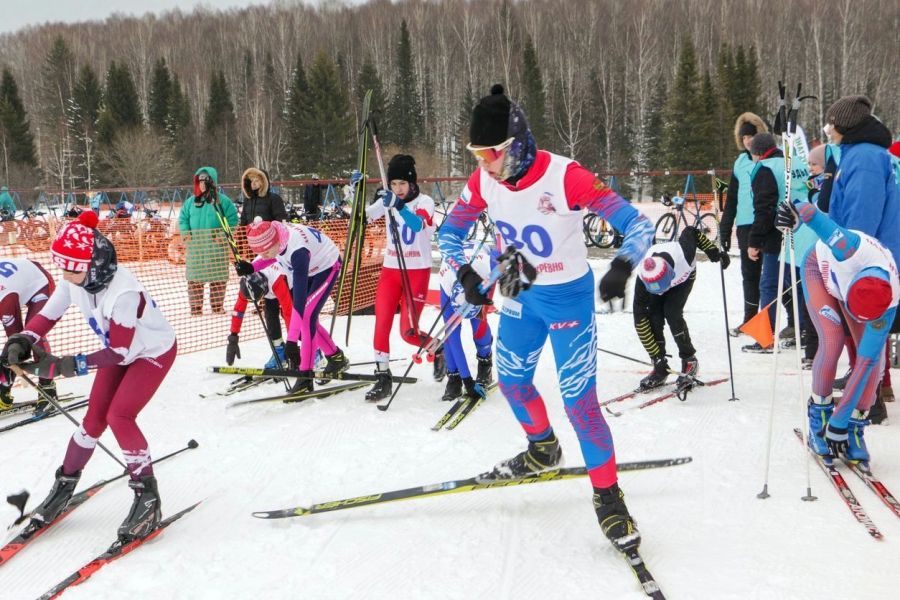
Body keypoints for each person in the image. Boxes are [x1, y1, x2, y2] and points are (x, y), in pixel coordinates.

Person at [438, 84, 655, 553]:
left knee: (580, 403)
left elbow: (638, 224)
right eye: (475, 153)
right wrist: (467, 274)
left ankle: (609, 498)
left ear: (514, 145)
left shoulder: (566, 176)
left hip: (566, 297)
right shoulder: (483, 181)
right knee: (513, 382)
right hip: (517, 286)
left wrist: (621, 265)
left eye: (489, 153)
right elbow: (449, 231)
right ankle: (542, 448)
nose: (482, 163)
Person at [0, 211, 177, 542]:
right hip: (119, 351)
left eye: (71, 267)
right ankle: (64, 484)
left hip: (150, 353)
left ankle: (147, 496)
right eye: (61, 265)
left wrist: (64, 366)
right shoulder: (75, 279)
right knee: (93, 420)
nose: (64, 273)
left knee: (119, 416)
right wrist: (22, 340)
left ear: (92, 265)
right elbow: (48, 315)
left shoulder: (122, 293)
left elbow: (121, 354)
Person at [776, 198, 898, 462]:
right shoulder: (846, 246)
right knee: (832, 341)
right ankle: (819, 418)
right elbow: (810, 213)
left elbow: (865, 362)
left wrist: (841, 421)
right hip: (819, 272)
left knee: (873, 365)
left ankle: (855, 426)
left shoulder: (890, 301)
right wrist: (791, 213)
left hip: (859, 295)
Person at [820, 96, 899, 423]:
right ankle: (870, 389)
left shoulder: (864, 157)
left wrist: (847, 253)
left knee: (862, 324)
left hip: (867, 256)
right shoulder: (860, 153)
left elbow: (861, 215)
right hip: (874, 255)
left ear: (845, 125)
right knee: (863, 326)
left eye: (832, 122)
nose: (827, 128)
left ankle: (869, 400)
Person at [362, 154, 441, 402]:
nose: (398, 189)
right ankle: (382, 377)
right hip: (391, 269)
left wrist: (398, 205)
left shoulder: (425, 202)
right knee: (381, 322)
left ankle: (437, 347)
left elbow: (419, 226)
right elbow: (362, 217)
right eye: (394, 184)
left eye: (402, 184)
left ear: (412, 183)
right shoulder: (389, 200)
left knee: (408, 332)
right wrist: (355, 193)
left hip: (416, 270)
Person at [237, 219, 348, 393]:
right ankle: (336, 357)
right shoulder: (276, 238)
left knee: (307, 318)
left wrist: (291, 341)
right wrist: (252, 267)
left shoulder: (297, 252)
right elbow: (270, 256)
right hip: (310, 266)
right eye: (259, 253)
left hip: (327, 265)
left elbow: (298, 305)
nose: (263, 256)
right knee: (309, 320)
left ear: (274, 242)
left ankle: (305, 377)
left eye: (265, 252)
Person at [633, 226, 730, 391]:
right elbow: (640, 322)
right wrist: (655, 356)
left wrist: (713, 252)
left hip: (683, 279)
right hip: (657, 283)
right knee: (653, 316)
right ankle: (660, 367)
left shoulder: (684, 254)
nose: (663, 292)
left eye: (663, 288)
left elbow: (691, 231)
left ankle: (689, 359)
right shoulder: (643, 279)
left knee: (672, 312)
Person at [719, 113, 767, 336]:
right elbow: (733, 198)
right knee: (750, 275)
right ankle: (750, 319)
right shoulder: (740, 163)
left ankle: (780, 323)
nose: (748, 140)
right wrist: (725, 228)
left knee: (772, 277)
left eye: (752, 135)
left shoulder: (769, 159)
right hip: (746, 225)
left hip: (768, 223)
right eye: (744, 136)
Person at [741, 133, 784, 353]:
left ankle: (765, 338)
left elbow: (764, 208)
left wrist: (754, 240)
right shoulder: (787, 162)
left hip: (777, 235)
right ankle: (805, 334)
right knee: (795, 285)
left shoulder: (764, 168)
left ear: (757, 153)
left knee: (768, 285)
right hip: (802, 231)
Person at [437, 241, 495, 402]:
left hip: (480, 274)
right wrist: (467, 381)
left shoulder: (487, 272)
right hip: (452, 276)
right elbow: (453, 340)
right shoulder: (447, 285)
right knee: (450, 335)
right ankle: (453, 376)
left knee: (479, 326)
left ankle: (485, 364)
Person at [179, 167, 238, 316]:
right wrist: (186, 234)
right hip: (196, 249)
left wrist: (222, 236)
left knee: (218, 280)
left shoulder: (223, 202)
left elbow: (233, 221)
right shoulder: (190, 202)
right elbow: (183, 219)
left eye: (205, 181)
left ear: (212, 182)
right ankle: (196, 308)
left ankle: (217, 306)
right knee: (194, 281)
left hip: (216, 249)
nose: (202, 184)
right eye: (199, 181)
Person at [0, 258, 57, 412]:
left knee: (32, 337)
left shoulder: (5, 301)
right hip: (19, 279)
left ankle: (48, 390)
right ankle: (3, 392)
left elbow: (18, 340)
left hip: (39, 283)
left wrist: (12, 360)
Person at [226, 266, 293, 369]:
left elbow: (289, 313)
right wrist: (233, 337)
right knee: (269, 314)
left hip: (290, 282)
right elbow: (238, 311)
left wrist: (291, 343)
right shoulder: (247, 283)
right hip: (269, 288)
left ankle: (313, 351)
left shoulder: (277, 281)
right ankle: (279, 351)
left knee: (296, 318)